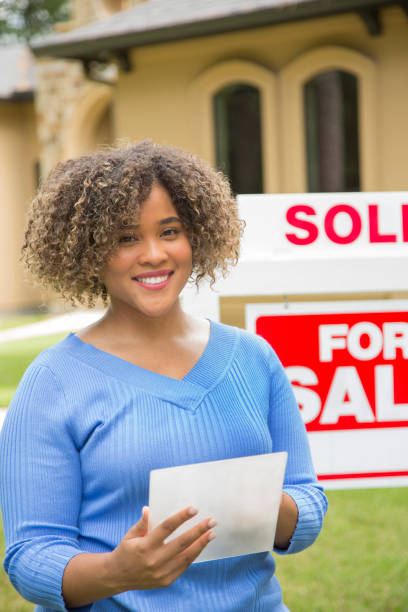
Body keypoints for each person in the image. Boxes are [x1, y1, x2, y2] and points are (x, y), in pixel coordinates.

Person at [0, 140, 327, 612]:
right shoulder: (52, 381)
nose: (153, 254)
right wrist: (119, 573)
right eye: (126, 238)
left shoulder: (253, 357)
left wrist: (255, 502)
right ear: (89, 251)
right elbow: (30, 559)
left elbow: (307, 503)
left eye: (169, 231)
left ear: (196, 235)